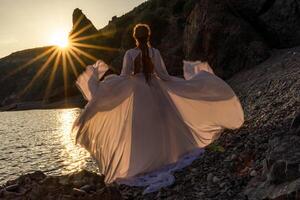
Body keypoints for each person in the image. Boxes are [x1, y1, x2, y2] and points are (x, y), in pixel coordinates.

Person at [72, 23, 244, 193]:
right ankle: (170, 154)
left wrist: (107, 84)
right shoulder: (155, 52)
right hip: (156, 89)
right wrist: (183, 83)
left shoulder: (130, 54)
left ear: (135, 37)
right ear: (148, 36)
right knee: (165, 122)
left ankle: (145, 161)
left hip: (139, 94)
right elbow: (163, 75)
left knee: (142, 129)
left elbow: (125, 76)